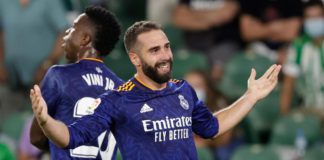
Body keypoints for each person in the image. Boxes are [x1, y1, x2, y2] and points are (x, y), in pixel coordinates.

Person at [30, 21, 281, 160]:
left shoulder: (183, 91)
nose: (165, 56)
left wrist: (250, 97)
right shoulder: (118, 98)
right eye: (154, 50)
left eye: (166, 47)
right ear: (135, 60)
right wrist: (45, 120)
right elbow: (70, 137)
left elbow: (212, 127)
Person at [29, 6, 124, 160]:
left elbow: (36, 138)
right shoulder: (121, 87)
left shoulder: (59, 76)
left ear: (85, 39)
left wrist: (62, 143)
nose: (66, 33)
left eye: (72, 28)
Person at [172, 0, 242, 82]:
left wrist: (193, 15)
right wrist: (210, 19)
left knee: (217, 72)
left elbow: (227, 13)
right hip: (191, 45)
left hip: (222, 44)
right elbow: (179, 19)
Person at [280, 0, 324, 116]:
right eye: (310, 17)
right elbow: (288, 85)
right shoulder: (298, 46)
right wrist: (285, 117)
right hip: (309, 111)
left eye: (318, 16)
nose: (314, 21)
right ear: (304, 21)